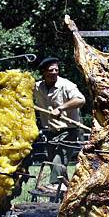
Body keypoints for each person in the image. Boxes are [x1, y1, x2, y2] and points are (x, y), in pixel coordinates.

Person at [33, 57, 86, 192]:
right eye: (51, 70)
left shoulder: (66, 85)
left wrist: (61, 108)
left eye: (57, 69)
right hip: (50, 131)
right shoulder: (37, 87)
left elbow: (81, 99)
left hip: (69, 130)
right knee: (54, 164)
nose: (55, 72)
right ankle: (67, 191)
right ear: (44, 72)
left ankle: (56, 186)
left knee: (59, 159)